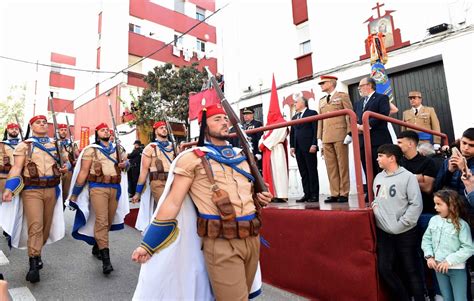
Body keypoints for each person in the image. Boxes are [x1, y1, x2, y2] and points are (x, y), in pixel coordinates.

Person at [131, 103, 272, 300]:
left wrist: (261, 197)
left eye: (225, 118)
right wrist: (148, 244)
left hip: (252, 238)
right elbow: (172, 202)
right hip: (222, 242)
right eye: (217, 119)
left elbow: (249, 193)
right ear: (204, 126)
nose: (224, 122)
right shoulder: (192, 159)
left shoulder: (242, 156)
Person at [1, 115, 67, 283]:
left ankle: (37, 252)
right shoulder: (25, 145)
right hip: (32, 190)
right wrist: (9, 188)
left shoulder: (56, 144)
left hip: (52, 189)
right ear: (31, 125)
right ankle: (33, 263)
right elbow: (16, 168)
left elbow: (67, 163)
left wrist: (65, 167)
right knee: (35, 226)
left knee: (45, 227)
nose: (43, 124)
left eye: (45, 122)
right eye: (38, 122)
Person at [68, 122, 129, 275]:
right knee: (101, 220)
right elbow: (83, 172)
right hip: (97, 188)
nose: (106, 131)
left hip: (115, 188)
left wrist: (126, 163)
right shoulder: (91, 150)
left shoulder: (118, 148)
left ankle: (97, 244)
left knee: (108, 220)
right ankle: (106, 260)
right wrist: (74, 193)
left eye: (107, 130)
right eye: (102, 130)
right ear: (97, 133)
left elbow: (126, 164)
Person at [371, 144, 424, 301]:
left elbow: (416, 204)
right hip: (384, 233)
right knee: (385, 268)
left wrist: (401, 224)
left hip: (406, 232)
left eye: (381, 155)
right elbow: (377, 199)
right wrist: (375, 208)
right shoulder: (379, 177)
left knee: (411, 269)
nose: (377, 158)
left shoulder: (407, 177)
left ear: (392, 158)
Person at [422, 189, 474, 301]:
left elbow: (469, 248)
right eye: (435, 204)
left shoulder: (462, 225)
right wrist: (429, 256)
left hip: (457, 269)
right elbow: (427, 239)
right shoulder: (433, 220)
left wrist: (449, 261)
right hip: (438, 268)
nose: (435, 207)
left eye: (439, 204)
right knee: (447, 298)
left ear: (450, 205)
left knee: (460, 299)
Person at [316, 75, 353, 203]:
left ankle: (344, 192)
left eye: (323, 83)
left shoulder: (342, 96)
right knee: (330, 166)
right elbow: (320, 120)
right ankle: (334, 193)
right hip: (326, 136)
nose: (321, 85)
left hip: (340, 134)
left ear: (332, 83)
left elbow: (349, 114)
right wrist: (319, 137)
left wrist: (350, 132)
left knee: (342, 165)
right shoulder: (321, 100)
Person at [133, 121, 176, 232]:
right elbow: (143, 172)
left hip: (174, 182)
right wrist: (138, 192)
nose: (164, 129)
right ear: (155, 131)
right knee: (165, 209)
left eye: (165, 128)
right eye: (161, 128)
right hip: (158, 182)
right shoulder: (150, 148)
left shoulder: (174, 147)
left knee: (177, 210)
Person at [355, 77, 391, 186]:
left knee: (380, 167)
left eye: (361, 86)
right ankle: (371, 191)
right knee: (367, 167)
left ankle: (383, 191)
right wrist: (357, 127)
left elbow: (383, 114)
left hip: (378, 139)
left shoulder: (382, 98)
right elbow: (355, 118)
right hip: (363, 141)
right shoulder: (358, 103)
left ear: (369, 85)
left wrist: (367, 125)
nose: (359, 89)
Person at [258, 75, 289, 203]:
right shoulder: (268, 125)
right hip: (269, 150)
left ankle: (281, 194)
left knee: (279, 173)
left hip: (277, 149)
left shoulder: (282, 122)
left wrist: (264, 143)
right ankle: (272, 194)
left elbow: (275, 137)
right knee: (271, 172)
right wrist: (262, 143)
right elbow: (262, 136)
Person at [290, 95, 319, 203]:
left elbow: (315, 130)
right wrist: (292, 146)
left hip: (309, 147)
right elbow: (292, 133)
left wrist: (314, 144)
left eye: (296, 102)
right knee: (303, 172)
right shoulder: (294, 117)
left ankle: (314, 195)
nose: (295, 104)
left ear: (303, 103)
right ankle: (306, 194)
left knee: (311, 171)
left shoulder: (312, 113)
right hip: (298, 148)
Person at [57, 123, 78, 209]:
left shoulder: (72, 144)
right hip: (57, 171)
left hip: (68, 172)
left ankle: (63, 210)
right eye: (61, 130)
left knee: (66, 193)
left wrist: (76, 159)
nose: (63, 132)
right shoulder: (53, 143)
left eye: (65, 130)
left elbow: (77, 155)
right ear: (58, 131)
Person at [0, 123, 21, 192]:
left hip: (22, 177)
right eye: (12, 129)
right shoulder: (2, 145)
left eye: (16, 129)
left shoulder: (24, 144)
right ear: (7, 130)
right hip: (6, 176)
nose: (14, 130)